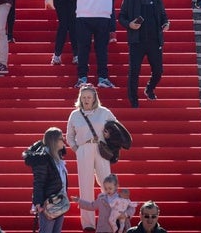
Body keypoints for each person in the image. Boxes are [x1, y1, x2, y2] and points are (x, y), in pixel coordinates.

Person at [65, 0, 122, 89]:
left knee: (83, 48)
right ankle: (102, 77)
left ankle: (82, 78)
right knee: (101, 49)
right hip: (103, 15)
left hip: (83, 15)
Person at [66, 84, 117, 231]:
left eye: (89, 97)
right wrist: (77, 149)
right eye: (83, 98)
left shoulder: (104, 112)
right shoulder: (75, 114)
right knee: (85, 185)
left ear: (95, 98)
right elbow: (69, 136)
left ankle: (109, 219)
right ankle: (88, 224)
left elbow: (116, 127)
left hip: (101, 148)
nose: (86, 100)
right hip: (84, 149)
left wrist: (109, 135)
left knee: (106, 182)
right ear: (80, 99)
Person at [118, 0, 170, 108]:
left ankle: (150, 88)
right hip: (137, 41)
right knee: (134, 71)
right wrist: (129, 24)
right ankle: (133, 99)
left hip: (154, 40)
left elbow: (164, 16)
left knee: (158, 70)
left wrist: (166, 24)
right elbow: (121, 17)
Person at [23, 127, 68, 233]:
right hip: (47, 203)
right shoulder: (43, 159)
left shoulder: (58, 157)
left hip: (59, 201)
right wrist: (37, 202)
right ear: (54, 141)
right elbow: (39, 182)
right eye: (62, 139)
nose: (64, 141)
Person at [71, 174, 136, 233]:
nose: (108, 191)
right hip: (104, 228)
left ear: (116, 186)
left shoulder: (122, 197)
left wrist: (126, 214)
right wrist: (79, 201)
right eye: (106, 189)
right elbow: (91, 206)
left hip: (120, 226)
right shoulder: (102, 199)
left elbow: (132, 207)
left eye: (110, 188)